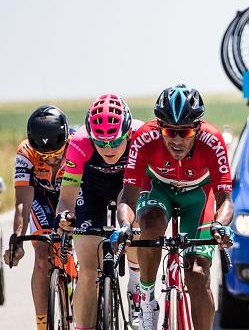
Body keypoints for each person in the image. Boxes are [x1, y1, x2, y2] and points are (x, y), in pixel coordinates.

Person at [116, 84, 234, 330]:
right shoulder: (144, 138)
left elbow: (225, 201)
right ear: (160, 127)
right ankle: (147, 301)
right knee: (149, 222)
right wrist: (126, 227)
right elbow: (127, 198)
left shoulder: (213, 141)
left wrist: (220, 227)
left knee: (198, 274)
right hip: (158, 188)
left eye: (186, 133)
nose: (177, 140)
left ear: (198, 128)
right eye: (170, 132)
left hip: (198, 196)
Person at [56, 94, 144, 330]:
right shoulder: (79, 143)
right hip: (91, 189)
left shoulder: (141, 137)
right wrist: (65, 217)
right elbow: (66, 197)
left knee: (135, 230)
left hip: (126, 185)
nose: (108, 149)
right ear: (91, 137)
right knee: (87, 269)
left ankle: (135, 284)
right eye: (101, 143)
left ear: (127, 133)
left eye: (115, 142)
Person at [2, 105, 70, 330]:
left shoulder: (77, 146)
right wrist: (17, 240)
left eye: (56, 155)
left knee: (85, 242)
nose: (50, 161)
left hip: (71, 193)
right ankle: (42, 324)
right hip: (40, 196)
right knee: (42, 255)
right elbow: (22, 202)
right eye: (44, 156)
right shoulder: (25, 152)